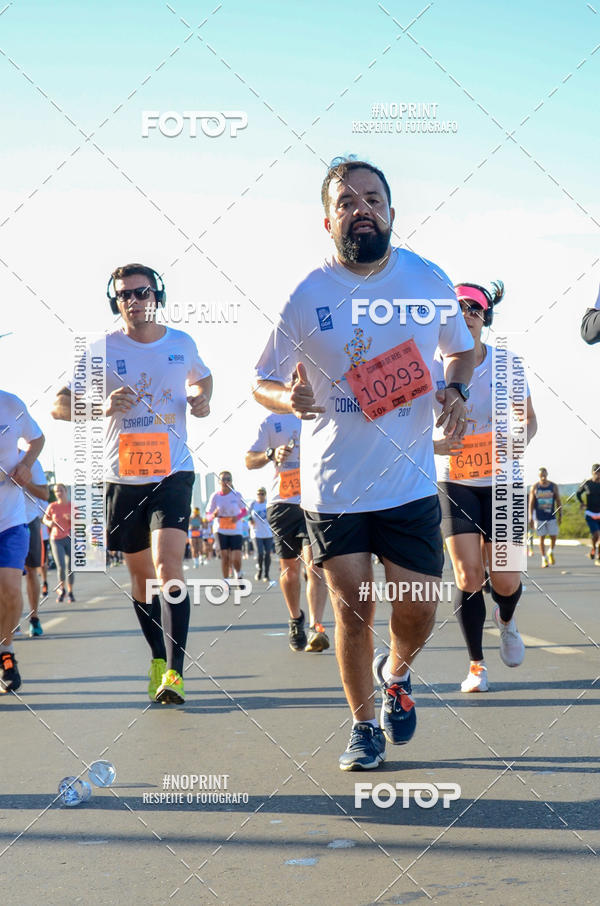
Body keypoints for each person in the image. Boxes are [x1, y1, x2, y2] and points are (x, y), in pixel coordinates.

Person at [253, 157, 474, 769]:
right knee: (353, 610)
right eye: (347, 201)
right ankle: (362, 727)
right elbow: (261, 380)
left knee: (418, 607)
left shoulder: (427, 280)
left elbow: (461, 352)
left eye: (372, 198)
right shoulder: (307, 294)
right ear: (328, 220)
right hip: (333, 485)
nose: (361, 209)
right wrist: (286, 398)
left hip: (407, 479)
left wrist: (453, 391)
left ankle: (397, 674)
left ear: (392, 212)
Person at [51, 262, 212, 703]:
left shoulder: (181, 343)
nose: (133, 301)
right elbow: (59, 406)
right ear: (114, 300)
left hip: (173, 471)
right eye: (124, 295)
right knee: (142, 582)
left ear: (155, 296)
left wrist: (203, 398)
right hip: (122, 477)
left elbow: (204, 377)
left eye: (141, 293)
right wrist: (100, 406)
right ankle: (158, 657)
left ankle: (175, 674)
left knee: (168, 568)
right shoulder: (100, 349)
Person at [432, 281, 537, 693]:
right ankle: (476, 665)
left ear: (485, 317)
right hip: (455, 479)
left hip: (504, 481)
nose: (467, 312)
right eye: (458, 306)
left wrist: (517, 441)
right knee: (467, 574)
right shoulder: (430, 365)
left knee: (505, 581)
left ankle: (506, 620)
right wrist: (436, 444)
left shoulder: (506, 364)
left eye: (475, 307)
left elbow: (529, 421)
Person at [246, 414, 329, 652]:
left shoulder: (320, 413)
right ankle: (296, 619)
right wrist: (271, 454)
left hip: (314, 501)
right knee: (290, 572)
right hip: (282, 503)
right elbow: (249, 460)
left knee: (314, 566)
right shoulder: (270, 421)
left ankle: (316, 626)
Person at [0, 390, 45, 693]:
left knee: (10, 589)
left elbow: (37, 439)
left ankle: (6, 651)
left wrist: (27, 464)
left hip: (11, 520)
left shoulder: (11, 404)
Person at [18, 451, 49, 636]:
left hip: (28, 520)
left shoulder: (31, 461)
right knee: (7, 575)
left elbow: (45, 494)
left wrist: (25, 481)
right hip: (4, 522)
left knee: (31, 571)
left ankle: (34, 618)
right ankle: (10, 621)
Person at [206, 472, 247, 582]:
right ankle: (226, 581)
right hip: (220, 529)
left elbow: (244, 511)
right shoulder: (215, 496)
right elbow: (208, 516)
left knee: (236, 558)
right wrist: (213, 515)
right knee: (225, 556)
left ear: (231, 481)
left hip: (235, 529)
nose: (226, 481)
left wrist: (237, 517)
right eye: (223, 479)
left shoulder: (237, 495)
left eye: (228, 479)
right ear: (219, 481)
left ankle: (238, 574)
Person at [43, 484, 74, 603]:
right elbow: (45, 519)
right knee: (61, 566)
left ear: (66, 491)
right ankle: (62, 589)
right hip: (56, 539)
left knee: (71, 567)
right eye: (56, 491)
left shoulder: (72, 506)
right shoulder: (52, 506)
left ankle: (70, 591)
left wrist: (72, 518)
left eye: (61, 490)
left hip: (69, 537)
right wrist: (49, 523)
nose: (58, 493)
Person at [529, 468, 562, 567]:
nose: (543, 476)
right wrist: (530, 517)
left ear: (547, 474)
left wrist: (560, 514)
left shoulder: (553, 486)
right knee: (541, 537)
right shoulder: (535, 487)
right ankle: (543, 558)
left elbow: (558, 501)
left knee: (553, 536)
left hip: (551, 516)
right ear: (539, 475)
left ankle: (550, 551)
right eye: (541, 475)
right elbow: (531, 503)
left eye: (544, 474)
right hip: (539, 517)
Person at [248, 488, 274, 583]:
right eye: (259, 493)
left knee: (267, 553)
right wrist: (250, 519)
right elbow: (246, 514)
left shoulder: (268, 503)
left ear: (265, 494)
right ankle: (259, 570)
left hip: (268, 533)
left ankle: (266, 574)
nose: (261, 495)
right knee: (260, 553)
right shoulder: (252, 504)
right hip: (256, 533)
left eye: (262, 494)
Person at [576, 464, 600, 564]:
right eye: (596, 472)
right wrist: (582, 503)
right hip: (590, 513)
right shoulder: (587, 483)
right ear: (592, 473)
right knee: (595, 534)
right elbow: (578, 493)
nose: (598, 475)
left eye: (599, 472)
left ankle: (598, 557)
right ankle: (593, 549)